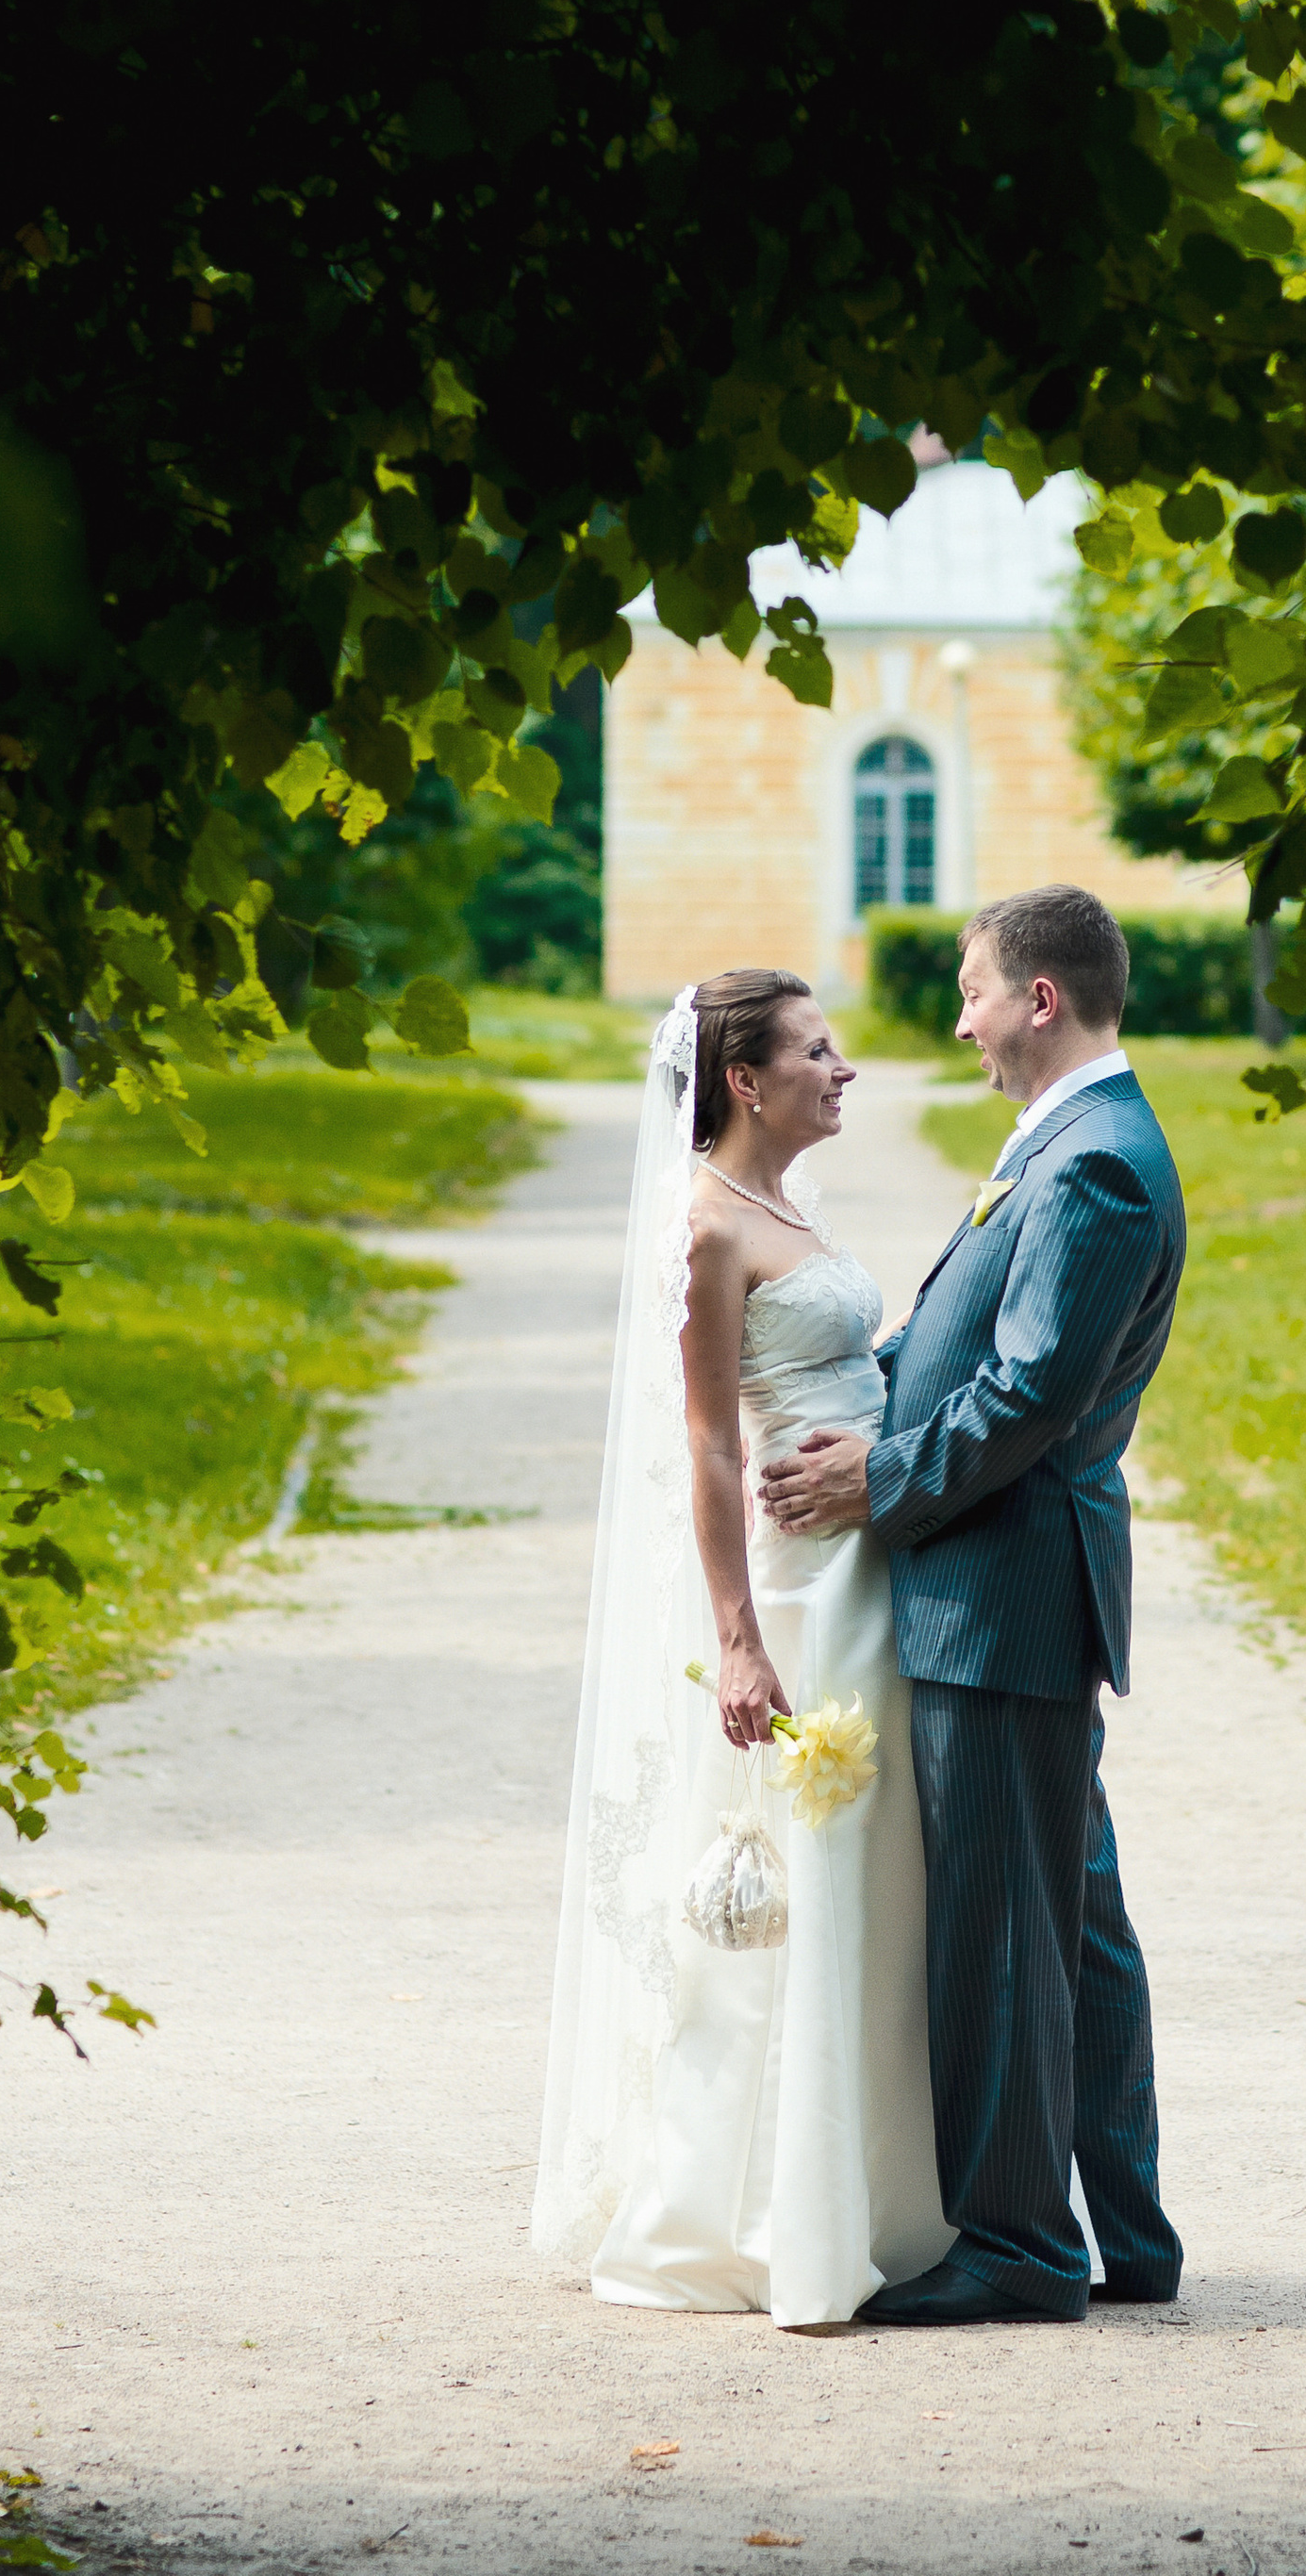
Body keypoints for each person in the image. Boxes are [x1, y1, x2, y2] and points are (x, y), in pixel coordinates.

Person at [761, 884, 1186, 2325]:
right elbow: (970, 1347)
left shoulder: (1095, 1165)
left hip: (1002, 1590)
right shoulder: (1072, 1143)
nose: (962, 1021)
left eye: (976, 994)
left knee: (1008, 1929)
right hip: (1004, 1584)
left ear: (1042, 1002)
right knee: (1071, 1924)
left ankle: (1018, 2247)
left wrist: (877, 1479)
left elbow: (1029, 1399)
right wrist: (858, 1390)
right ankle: (1130, 2234)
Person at [532, 968, 950, 2328]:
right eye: (817, 1052)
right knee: (792, 1880)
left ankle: (869, 2197)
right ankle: (757, 2219)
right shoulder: (707, 1224)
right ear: (744, 1082)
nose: (845, 1070)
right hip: (798, 1582)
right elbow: (710, 1438)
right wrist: (738, 1643)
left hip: (862, 1558)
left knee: (869, 1884)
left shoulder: (787, 1203)